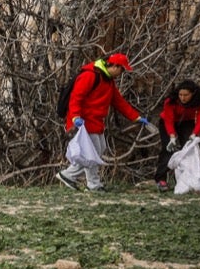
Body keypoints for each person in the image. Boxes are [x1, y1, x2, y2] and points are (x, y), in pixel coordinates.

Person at [56, 52, 152, 191]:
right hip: (84, 121)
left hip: (94, 120)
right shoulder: (90, 75)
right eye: (122, 69)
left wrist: (135, 117)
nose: (122, 73)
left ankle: (69, 175)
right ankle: (91, 184)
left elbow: (118, 101)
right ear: (115, 66)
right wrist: (75, 117)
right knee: (93, 152)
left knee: (98, 150)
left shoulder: (108, 80)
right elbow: (76, 97)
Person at [153, 79, 200, 190]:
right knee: (167, 149)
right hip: (167, 122)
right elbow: (168, 119)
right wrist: (172, 136)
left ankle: (186, 179)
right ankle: (161, 179)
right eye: (180, 95)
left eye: (186, 95)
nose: (182, 98)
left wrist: (195, 134)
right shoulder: (171, 100)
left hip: (187, 122)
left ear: (192, 94)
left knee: (188, 150)